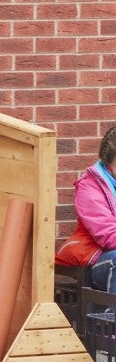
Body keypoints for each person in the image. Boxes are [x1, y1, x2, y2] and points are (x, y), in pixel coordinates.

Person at [56, 125, 116, 294]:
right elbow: (109, 235)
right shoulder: (89, 187)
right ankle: (110, 318)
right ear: (109, 164)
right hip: (100, 257)